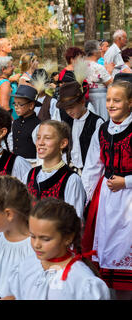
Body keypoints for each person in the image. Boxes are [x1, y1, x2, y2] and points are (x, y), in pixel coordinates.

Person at [81, 80, 132, 300]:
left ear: (130, 103)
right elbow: (93, 166)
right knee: (105, 253)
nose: (111, 104)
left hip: (129, 198)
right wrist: (87, 198)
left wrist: (126, 182)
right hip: (107, 199)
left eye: (117, 100)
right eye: (109, 100)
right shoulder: (102, 130)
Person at [3, 198, 110, 300]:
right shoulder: (27, 266)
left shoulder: (81, 280)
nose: (36, 244)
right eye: (32, 236)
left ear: (68, 238)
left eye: (45, 239)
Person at [25, 120, 86, 219]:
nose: (40, 143)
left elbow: (75, 221)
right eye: (38, 138)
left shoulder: (71, 179)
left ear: (63, 143)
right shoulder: (30, 174)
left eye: (47, 138)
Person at [54, 81, 104, 173]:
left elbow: (100, 153)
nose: (68, 111)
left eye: (71, 107)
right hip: (70, 170)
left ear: (82, 101)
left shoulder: (96, 122)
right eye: (66, 108)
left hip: (89, 172)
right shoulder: (67, 121)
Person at [9, 85, 42, 164]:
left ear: (31, 106)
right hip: (16, 162)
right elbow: (11, 142)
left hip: (32, 164)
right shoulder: (15, 123)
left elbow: (40, 149)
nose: (16, 107)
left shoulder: (38, 125)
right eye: (15, 104)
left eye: (20, 104)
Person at [85, 40, 114, 121]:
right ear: (94, 52)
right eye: (99, 49)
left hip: (85, 98)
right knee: (101, 119)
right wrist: (110, 71)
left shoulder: (80, 66)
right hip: (100, 98)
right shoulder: (98, 67)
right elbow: (111, 83)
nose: (101, 51)